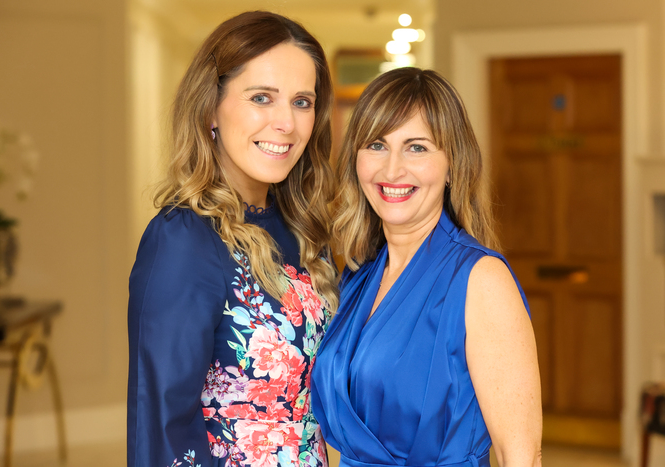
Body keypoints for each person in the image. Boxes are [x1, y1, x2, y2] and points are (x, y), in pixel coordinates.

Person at [127, 11, 339, 467]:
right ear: (211, 109)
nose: (286, 123)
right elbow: (162, 428)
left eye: (302, 102)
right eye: (262, 97)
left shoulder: (305, 232)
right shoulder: (183, 238)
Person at [311, 67, 542, 467]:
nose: (392, 170)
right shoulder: (358, 275)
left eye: (416, 148)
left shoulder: (481, 279)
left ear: (452, 165)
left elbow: (520, 454)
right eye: (377, 145)